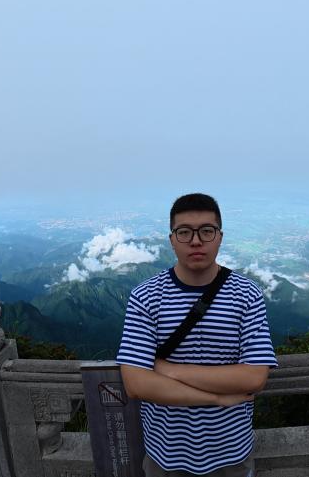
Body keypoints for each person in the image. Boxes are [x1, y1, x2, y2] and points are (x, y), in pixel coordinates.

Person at [117, 193, 277, 476]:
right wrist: (217, 398)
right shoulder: (146, 296)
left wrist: (169, 370)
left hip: (232, 453)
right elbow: (136, 383)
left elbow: (254, 377)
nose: (195, 241)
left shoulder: (246, 294)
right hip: (165, 454)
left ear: (220, 237)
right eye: (184, 232)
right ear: (172, 239)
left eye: (206, 231)